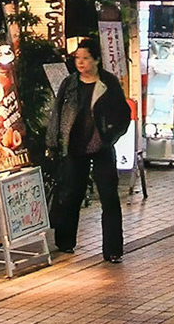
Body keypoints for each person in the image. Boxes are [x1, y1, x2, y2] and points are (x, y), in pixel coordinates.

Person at [47, 37, 133, 263]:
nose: (81, 62)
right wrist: (54, 142)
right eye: (78, 58)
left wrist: (111, 135)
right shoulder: (70, 83)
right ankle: (65, 242)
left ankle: (113, 249)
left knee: (109, 196)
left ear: (96, 60)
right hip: (75, 146)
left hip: (102, 146)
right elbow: (57, 112)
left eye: (86, 58)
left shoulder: (108, 83)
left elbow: (123, 113)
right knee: (71, 193)